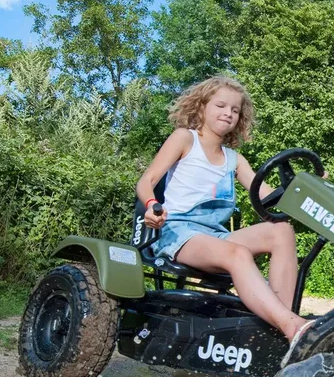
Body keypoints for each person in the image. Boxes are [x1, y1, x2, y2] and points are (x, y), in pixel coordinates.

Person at [135, 76, 315, 346]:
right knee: (237, 253)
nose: (228, 113)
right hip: (179, 232)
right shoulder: (185, 139)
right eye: (220, 106)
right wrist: (151, 205)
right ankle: (291, 325)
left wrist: (309, 187)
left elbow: (270, 197)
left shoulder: (235, 159)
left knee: (282, 230)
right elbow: (146, 181)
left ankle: (279, 327)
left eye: (235, 110)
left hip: (216, 235)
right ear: (201, 107)